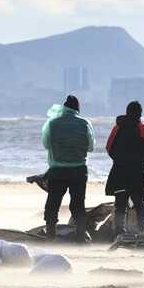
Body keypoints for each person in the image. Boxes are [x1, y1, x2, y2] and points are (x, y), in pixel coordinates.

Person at [41, 95, 95, 242]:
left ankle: (50, 236)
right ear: (77, 109)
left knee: (53, 203)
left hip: (57, 171)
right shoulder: (85, 123)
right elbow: (90, 147)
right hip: (78, 170)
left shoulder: (52, 123)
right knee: (78, 204)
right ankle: (80, 237)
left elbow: (46, 144)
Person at [105, 101, 144, 235]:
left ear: (127, 111)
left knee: (120, 204)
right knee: (140, 204)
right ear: (140, 113)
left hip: (119, 171)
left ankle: (119, 233)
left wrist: (119, 159)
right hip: (137, 171)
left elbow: (108, 147)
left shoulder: (117, 127)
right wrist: (143, 158)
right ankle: (143, 233)